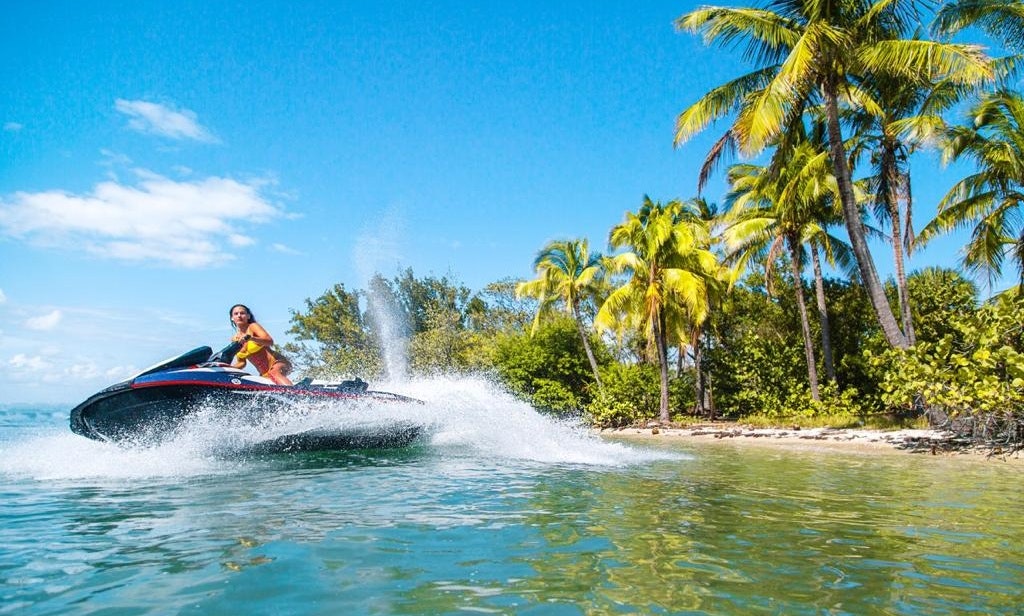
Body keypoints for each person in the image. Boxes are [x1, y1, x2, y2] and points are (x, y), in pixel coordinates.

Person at [229, 303, 293, 385]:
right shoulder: (235, 339)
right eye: (236, 314)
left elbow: (269, 341)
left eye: (242, 313)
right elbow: (242, 363)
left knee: (274, 373)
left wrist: (251, 338)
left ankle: (295, 395)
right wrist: (226, 368)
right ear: (232, 318)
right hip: (264, 374)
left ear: (248, 316)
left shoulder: (253, 327)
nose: (239, 316)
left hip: (279, 363)